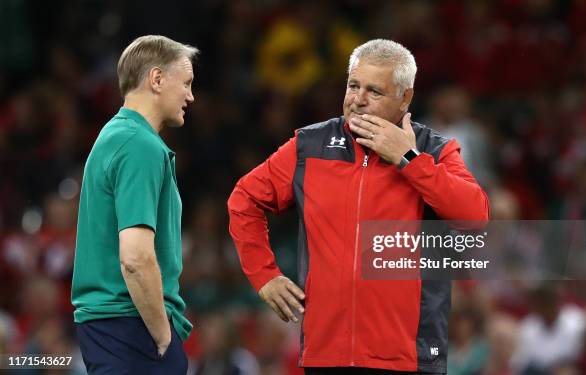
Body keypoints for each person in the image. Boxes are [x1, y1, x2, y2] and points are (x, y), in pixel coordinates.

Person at [228, 39, 489, 374]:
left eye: (374, 91)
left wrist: (409, 160)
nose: (358, 100)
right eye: (353, 85)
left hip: (409, 357)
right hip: (327, 354)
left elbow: (475, 217)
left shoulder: (434, 150)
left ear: (405, 97)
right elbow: (244, 199)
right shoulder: (311, 146)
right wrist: (264, 275)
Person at [71, 35, 198, 374]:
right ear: (156, 79)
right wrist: (162, 334)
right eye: (185, 83)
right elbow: (135, 258)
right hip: (132, 327)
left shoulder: (116, 134)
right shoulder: (138, 145)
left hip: (115, 328)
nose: (190, 96)